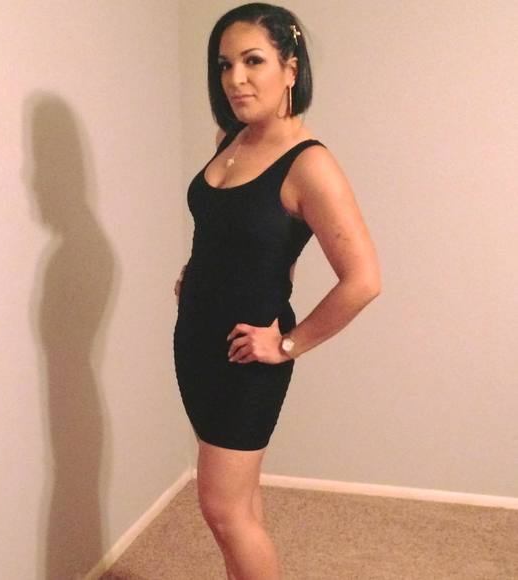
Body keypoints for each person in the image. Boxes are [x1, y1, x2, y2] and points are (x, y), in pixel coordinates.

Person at [173, 3, 381, 579]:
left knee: (223, 511)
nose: (235, 79)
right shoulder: (230, 139)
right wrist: (197, 273)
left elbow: (364, 279)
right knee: (240, 505)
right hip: (196, 344)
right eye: (224, 64)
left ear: (290, 68)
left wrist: (287, 344)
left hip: (246, 356)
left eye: (253, 61)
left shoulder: (310, 165)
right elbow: (236, 230)